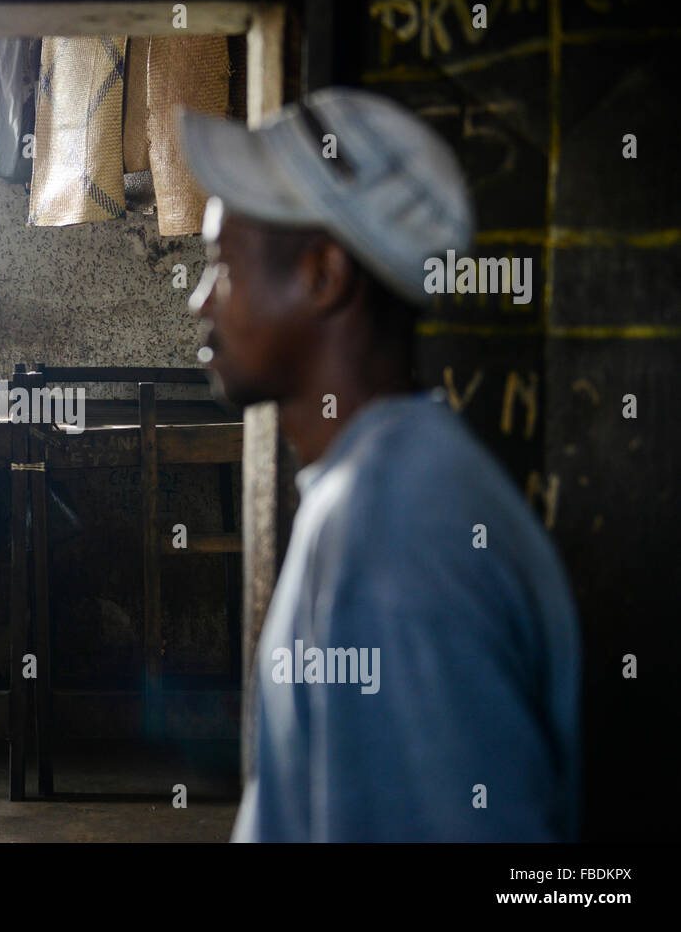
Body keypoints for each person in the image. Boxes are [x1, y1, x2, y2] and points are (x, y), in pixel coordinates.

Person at [176, 88, 580, 841]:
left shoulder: (397, 530)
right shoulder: (379, 486)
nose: (200, 302)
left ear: (325, 276)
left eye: (221, 265)